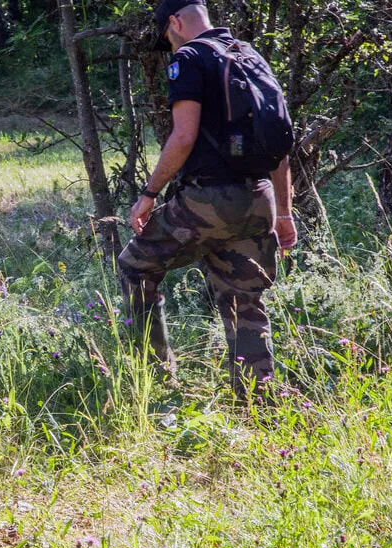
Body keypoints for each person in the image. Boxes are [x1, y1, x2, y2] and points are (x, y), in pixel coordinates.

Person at [120, 0, 296, 400]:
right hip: (259, 199)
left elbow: (183, 136)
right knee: (243, 300)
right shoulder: (251, 56)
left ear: (176, 22)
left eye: (166, 35)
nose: (169, 43)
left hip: (210, 200)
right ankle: (258, 403)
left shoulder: (189, 58)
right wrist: (284, 213)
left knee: (135, 267)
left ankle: (157, 384)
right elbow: (280, 143)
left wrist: (148, 195)